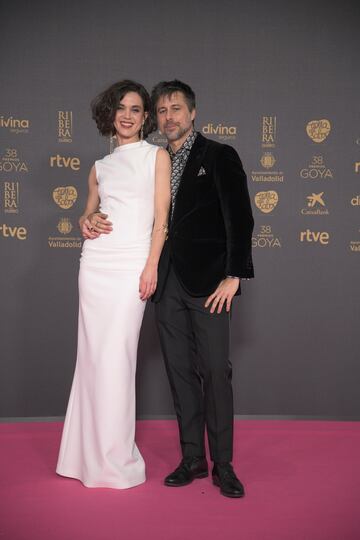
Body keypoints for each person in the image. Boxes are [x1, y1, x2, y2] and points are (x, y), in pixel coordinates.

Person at [56, 80, 171, 489]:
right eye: (121, 107)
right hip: (96, 266)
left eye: (136, 109)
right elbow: (87, 216)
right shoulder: (99, 167)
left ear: (145, 118)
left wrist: (150, 266)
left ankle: (115, 459)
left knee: (117, 360)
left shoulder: (156, 157)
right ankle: (81, 458)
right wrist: (85, 223)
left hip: (131, 267)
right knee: (91, 359)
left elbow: (161, 219)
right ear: (111, 113)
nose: (127, 115)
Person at [151, 80, 254, 498]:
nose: (169, 117)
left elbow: (240, 217)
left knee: (214, 370)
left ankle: (223, 464)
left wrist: (235, 274)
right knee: (179, 371)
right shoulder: (152, 161)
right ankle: (192, 457)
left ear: (192, 113)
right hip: (166, 281)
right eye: (161, 111)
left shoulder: (219, 155)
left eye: (176, 108)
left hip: (211, 282)